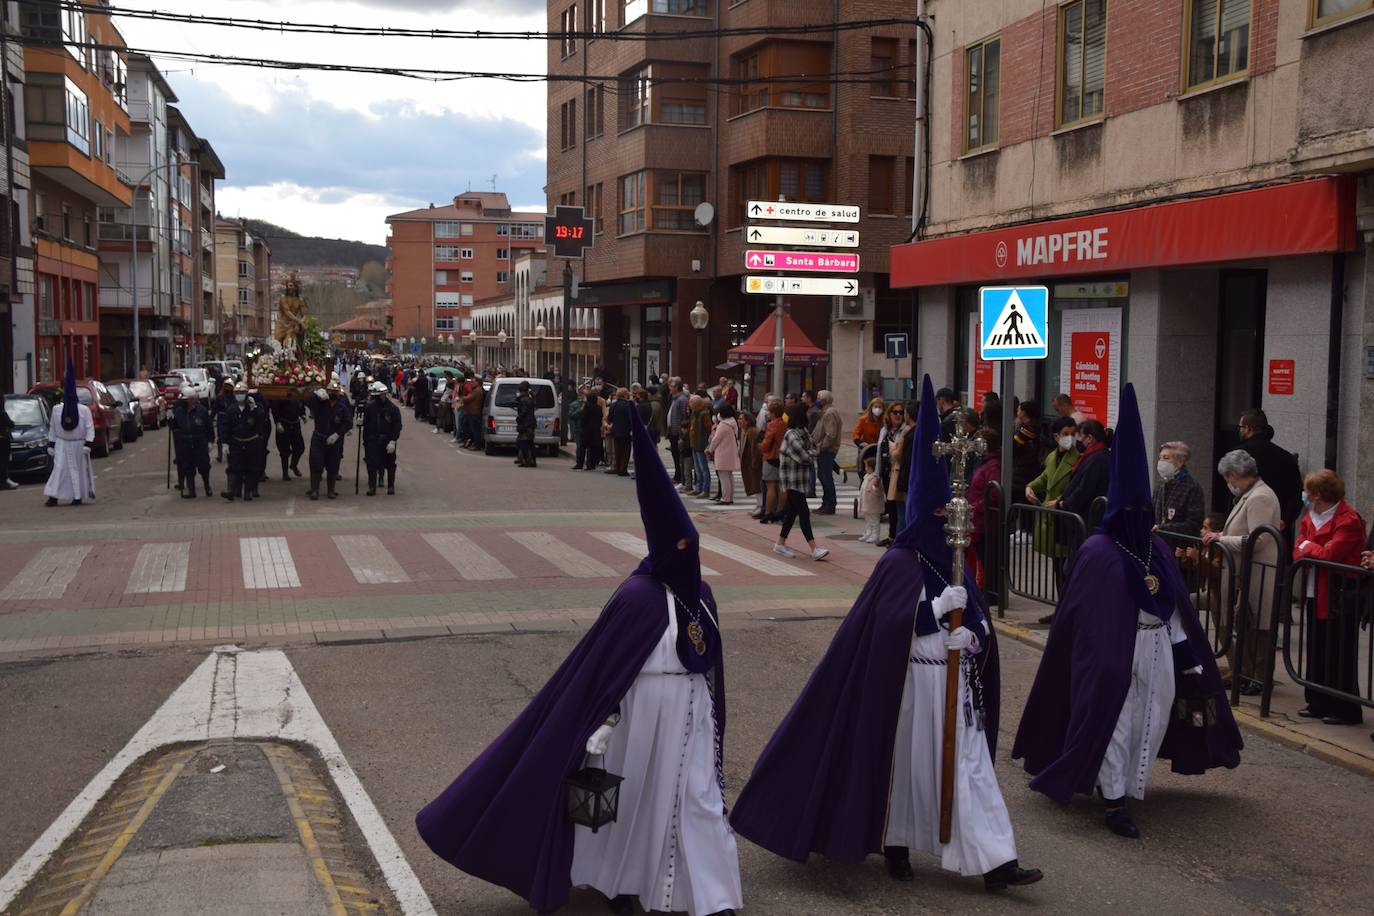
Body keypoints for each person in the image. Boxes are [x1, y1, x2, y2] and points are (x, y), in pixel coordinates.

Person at [417, 406, 742, 916]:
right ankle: (624, 886)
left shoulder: (700, 593)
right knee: (637, 808)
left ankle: (712, 894)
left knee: (695, 799)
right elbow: (600, 670)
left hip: (689, 714)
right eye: (679, 544)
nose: (688, 551)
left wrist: (710, 709)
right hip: (638, 719)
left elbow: (710, 656)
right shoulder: (636, 598)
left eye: (692, 544)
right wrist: (602, 722)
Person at [733, 376, 1039, 893]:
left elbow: (979, 620)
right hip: (909, 687)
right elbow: (883, 628)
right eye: (940, 515)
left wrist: (976, 637)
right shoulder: (899, 564)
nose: (948, 523)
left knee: (970, 769)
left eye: (951, 515)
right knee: (905, 770)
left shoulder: (954, 561)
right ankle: (896, 844)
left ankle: (995, 862)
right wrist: (933, 617)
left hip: (955, 684)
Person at [1013, 384, 1242, 840]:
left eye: (1145, 508)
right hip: (1112, 655)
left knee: (1151, 718)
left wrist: (1186, 654)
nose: (1140, 516)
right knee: (1115, 720)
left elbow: (1173, 604)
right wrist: (1103, 659)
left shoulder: (1154, 547)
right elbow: (1083, 616)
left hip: (1156, 648)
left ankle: (1123, 784)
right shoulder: (1098, 551)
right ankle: (1114, 800)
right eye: (1132, 508)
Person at [1203, 450, 1281, 694]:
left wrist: (1222, 538)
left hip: (1257, 571)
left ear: (1236, 474)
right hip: (1243, 571)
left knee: (1257, 626)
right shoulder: (1250, 495)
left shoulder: (1260, 497)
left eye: (1229, 478)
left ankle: (1257, 677)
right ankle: (1245, 673)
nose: (1229, 483)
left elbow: (1258, 539)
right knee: (1246, 624)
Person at [1292, 469, 1366, 726]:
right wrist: (1310, 549)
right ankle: (1317, 700)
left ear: (1320, 494)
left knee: (1339, 649)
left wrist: (1308, 548)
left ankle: (1344, 708)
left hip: (1338, 593)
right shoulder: (1311, 517)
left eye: (1309, 491)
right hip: (1316, 589)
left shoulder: (1348, 519)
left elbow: (1329, 555)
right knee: (1317, 646)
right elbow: (1299, 548)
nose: (1306, 495)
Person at [1025, 417, 1080, 592]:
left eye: (1073, 434)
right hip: (1051, 518)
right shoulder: (1052, 456)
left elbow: (1078, 488)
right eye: (1065, 434)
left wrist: (1061, 501)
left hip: (1066, 518)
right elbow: (1044, 479)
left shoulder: (1078, 458)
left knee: (1066, 568)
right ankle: (1059, 607)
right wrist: (1030, 487)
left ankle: (1065, 609)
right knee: (1057, 567)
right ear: (1056, 437)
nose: (1069, 437)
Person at [1236, 408, 1303, 538]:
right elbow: (1296, 495)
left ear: (1248, 428)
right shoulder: (1286, 457)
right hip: (1278, 530)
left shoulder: (1239, 455)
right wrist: (1285, 519)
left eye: (1240, 427)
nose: (1239, 431)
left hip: (1244, 528)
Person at [773, 404, 828, 561]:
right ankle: (814, 548)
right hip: (792, 480)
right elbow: (805, 457)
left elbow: (813, 448)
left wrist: (811, 452)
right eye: (807, 412)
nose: (810, 415)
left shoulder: (803, 432)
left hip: (799, 480)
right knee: (803, 512)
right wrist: (812, 453)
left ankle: (780, 544)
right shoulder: (791, 435)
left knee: (791, 513)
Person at [43, 364, 95, 508]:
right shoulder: (57, 410)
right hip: (62, 444)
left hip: (78, 445)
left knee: (77, 470)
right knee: (59, 469)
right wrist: (51, 444)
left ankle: (77, 496)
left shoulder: (84, 410)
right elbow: (53, 428)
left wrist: (88, 444)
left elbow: (90, 428)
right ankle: (53, 496)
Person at [307, 382, 352, 500]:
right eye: (331, 391)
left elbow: (348, 423)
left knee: (333, 465)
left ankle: (331, 490)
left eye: (336, 391)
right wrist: (315, 394)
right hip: (319, 438)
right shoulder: (320, 403)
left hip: (334, 440)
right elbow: (307, 401)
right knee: (316, 463)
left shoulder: (342, 407)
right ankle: (314, 490)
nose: (333, 393)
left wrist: (338, 434)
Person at [1153, 441, 1205, 537]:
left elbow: (1194, 524)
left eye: (1166, 458)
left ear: (1180, 462)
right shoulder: (1160, 484)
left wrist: (1162, 528)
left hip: (1179, 547)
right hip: (1157, 543)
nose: (1161, 462)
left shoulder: (1192, 487)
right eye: (1160, 458)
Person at [968, 426, 1001, 574]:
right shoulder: (984, 463)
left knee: (986, 562)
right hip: (979, 520)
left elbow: (994, 494)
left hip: (985, 522)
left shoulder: (993, 465)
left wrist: (975, 507)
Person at [171, 385, 214, 498]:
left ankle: (207, 486)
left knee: (204, 466)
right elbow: (175, 426)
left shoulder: (202, 411)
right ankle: (191, 490)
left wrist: (210, 441)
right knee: (188, 467)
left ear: (192, 399)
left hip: (199, 441)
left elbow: (209, 427)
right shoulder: (179, 411)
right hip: (185, 442)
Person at [222, 383, 262, 502]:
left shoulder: (254, 407)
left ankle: (248, 491)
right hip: (236, 442)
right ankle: (231, 490)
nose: (240, 395)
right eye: (237, 393)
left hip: (251, 442)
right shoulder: (231, 409)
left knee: (251, 467)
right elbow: (225, 427)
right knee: (234, 467)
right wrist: (225, 443)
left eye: (242, 393)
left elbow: (261, 419)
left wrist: (254, 408)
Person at [362, 382, 403, 495]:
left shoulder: (393, 409)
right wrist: (365, 440)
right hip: (373, 439)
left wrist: (393, 441)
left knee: (390, 463)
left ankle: (390, 486)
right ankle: (372, 487)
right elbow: (367, 425)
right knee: (372, 464)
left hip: (388, 440)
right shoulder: (370, 407)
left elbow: (397, 426)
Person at [755, 400, 786, 522]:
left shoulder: (772, 424)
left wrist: (759, 446)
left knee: (771, 486)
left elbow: (766, 444)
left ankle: (768, 512)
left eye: (769, 411)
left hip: (771, 457)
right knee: (781, 486)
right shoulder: (784, 423)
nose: (767, 413)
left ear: (773, 413)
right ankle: (781, 510)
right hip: (782, 457)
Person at [812, 390, 842, 515]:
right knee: (823, 476)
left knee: (826, 477)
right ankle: (826, 503)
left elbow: (830, 435)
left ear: (825, 400)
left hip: (826, 450)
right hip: (823, 450)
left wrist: (820, 447)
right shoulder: (824, 412)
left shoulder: (829, 413)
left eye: (819, 397)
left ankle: (830, 504)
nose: (817, 400)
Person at [708, 403, 739, 505]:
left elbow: (716, 439)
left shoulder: (723, 425)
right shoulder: (733, 422)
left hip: (722, 453)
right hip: (731, 452)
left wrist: (710, 449)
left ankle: (725, 498)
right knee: (729, 476)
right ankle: (730, 497)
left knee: (723, 477)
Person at [269, 397, 306, 481]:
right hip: (283, 423)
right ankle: (285, 473)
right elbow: (275, 408)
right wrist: (277, 422)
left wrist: (302, 414)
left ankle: (293, 465)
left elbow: (301, 404)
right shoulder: (281, 393)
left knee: (300, 448)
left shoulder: (297, 393)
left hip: (295, 423)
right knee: (284, 451)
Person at [687, 395, 713, 498]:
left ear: (696, 404)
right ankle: (698, 488)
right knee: (697, 468)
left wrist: (707, 443)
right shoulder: (694, 413)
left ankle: (705, 489)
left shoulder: (703, 414)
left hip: (701, 444)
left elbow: (709, 429)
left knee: (703, 468)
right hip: (694, 444)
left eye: (691, 402)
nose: (689, 404)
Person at [606, 388, 634, 477]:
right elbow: (631, 419)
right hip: (626, 431)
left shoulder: (613, 405)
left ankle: (618, 468)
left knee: (617, 450)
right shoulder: (628, 405)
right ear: (625, 395)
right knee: (626, 451)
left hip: (615, 430)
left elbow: (609, 418)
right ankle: (623, 469)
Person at [667, 379, 689, 484]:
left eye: (671, 387)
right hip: (673, 431)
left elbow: (684, 416)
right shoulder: (674, 399)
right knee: (675, 455)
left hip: (678, 432)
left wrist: (681, 432)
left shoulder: (682, 399)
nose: (670, 389)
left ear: (676, 388)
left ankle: (680, 477)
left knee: (679, 456)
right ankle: (677, 475)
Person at [858, 455, 885, 543]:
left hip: (874, 505)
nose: (865, 468)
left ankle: (875, 535)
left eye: (867, 466)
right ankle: (868, 533)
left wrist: (876, 486)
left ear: (872, 468)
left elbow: (878, 491)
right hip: (867, 504)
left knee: (875, 521)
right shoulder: (866, 477)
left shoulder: (875, 479)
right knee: (868, 520)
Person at [577, 387, 604, 472]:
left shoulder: (586, 406)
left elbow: (583, 417)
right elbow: (600, 418)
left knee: (582, 447)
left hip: (586, 429)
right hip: (595, 430)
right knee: (592, 448)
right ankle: (591, 464)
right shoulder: (598, 408)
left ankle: (579, 464)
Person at [737, 410, 762, 504]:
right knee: (754, 484)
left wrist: (754, 463)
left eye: (741, 419)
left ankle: (760, 505)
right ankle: (758, 504)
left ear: (747, 421)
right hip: (749, 463)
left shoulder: (752, 431)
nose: (738, 421)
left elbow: (755, 449)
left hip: (753, 463)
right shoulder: (746, 431)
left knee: (756, 485)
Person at [514, 380, 538, 468]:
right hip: (530, 423)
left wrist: (519, 418)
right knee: (530, 442)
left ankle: (525, 460)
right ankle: (531, 460)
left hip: (525, 423)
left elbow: (523, 411)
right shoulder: (530, 398)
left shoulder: (523, 399)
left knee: (523, 442)